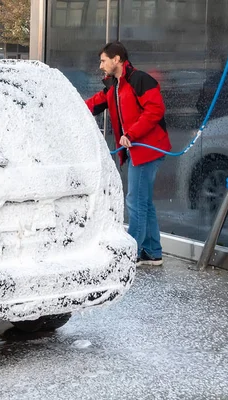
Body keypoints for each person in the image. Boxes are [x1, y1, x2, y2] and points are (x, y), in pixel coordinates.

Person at [85, 42, 172, 266]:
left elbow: (155, 110)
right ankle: (152, 252)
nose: (100, 65)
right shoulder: (115, 87)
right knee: (144, 202)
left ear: (117, 59)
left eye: (103, 60)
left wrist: (131, 134)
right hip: (137, 149)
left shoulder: (140, 80)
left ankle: (130, 253)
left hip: (148, 149)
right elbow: (95, 103)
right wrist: (72, 107)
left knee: (135, 201)